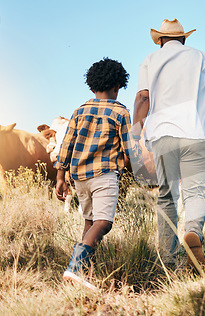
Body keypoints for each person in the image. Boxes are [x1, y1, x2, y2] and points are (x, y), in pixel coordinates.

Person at [133, 18, 205, 272]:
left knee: (167, 197)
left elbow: (142, 97)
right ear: (183, 38)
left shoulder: (150, 59)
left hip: (162, 136)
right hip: (196, 134)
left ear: (160, 40)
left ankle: (168, 260)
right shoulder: (202, 57)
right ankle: (193, 231)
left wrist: (135, 134)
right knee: (196, 193)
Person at [55, 58, 135, 290]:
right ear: (118, 87)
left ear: (91, 87)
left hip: (80, 177)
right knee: (104, 222)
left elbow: (66, 146)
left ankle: (83, 274)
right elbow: (130, 149)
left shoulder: (79, 111)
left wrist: (60, 178)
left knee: (89, 222)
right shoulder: (120, 112)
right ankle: (75, 267)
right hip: (105, 174)